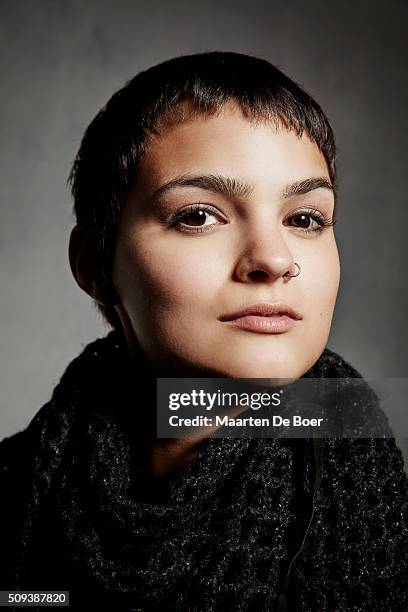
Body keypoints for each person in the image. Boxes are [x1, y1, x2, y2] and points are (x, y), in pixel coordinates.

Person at [1, 51, 407, 611]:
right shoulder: (14, 492)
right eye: (198, 215)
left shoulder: (370, 499)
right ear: (95, 265)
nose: (273, 259)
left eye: (305, 218)